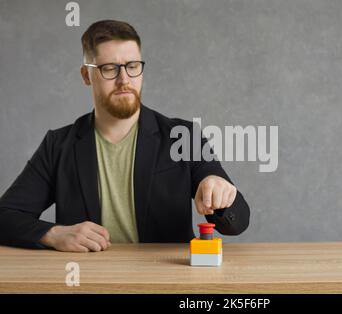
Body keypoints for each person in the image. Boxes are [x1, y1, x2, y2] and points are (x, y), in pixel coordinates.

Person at [0, 20, 250, 252]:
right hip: (87, 282)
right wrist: (53, 234)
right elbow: (5, 215)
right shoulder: (58, 145)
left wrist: (221, 196)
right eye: (109, 68)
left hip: (165, 281)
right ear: (86, 75)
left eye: (132, 67)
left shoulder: (182, 137)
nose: (124, 80)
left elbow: (237, 223)